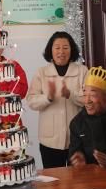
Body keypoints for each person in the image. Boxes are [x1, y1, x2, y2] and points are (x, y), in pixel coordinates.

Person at [26, 31, 87, 168]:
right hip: (50, 141)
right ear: (51, 50)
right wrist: (47, 98)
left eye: (65, 47)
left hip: (77, 139)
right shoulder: (41, 73)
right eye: (57, 47)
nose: (61, 52)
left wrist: (70, 95)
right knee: (53, 178)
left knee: (77, 178)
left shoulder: (82, 71)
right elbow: (31, 101)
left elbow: (88, 100)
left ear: (72, 50)